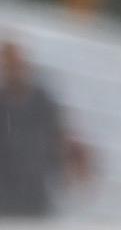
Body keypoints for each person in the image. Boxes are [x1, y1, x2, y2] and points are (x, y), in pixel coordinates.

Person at [0, 41, 78, 218]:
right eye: (9, 66)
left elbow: (59, 136)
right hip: (5, 191)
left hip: (35, 189)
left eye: (17, 65)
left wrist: (65, 165)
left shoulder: (42, 100)